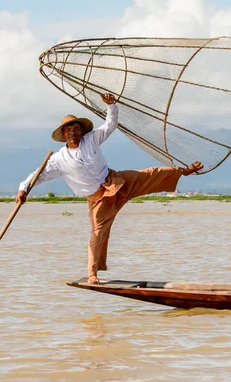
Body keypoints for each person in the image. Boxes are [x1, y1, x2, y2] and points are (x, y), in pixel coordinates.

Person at [16, 93, 204, 284]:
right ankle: (92, 274)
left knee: (150, 173)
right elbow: (38, 175)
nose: (74, 131)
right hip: (98, 199)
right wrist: (23, 189)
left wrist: (111, 106)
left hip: (116, 181)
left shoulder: (91, 139)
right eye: (69, 129)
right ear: (64, 134)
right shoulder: (58, 159)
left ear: (82, 130)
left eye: (77, 128)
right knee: (97, 234)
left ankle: (184, 171)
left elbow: (110, 125)